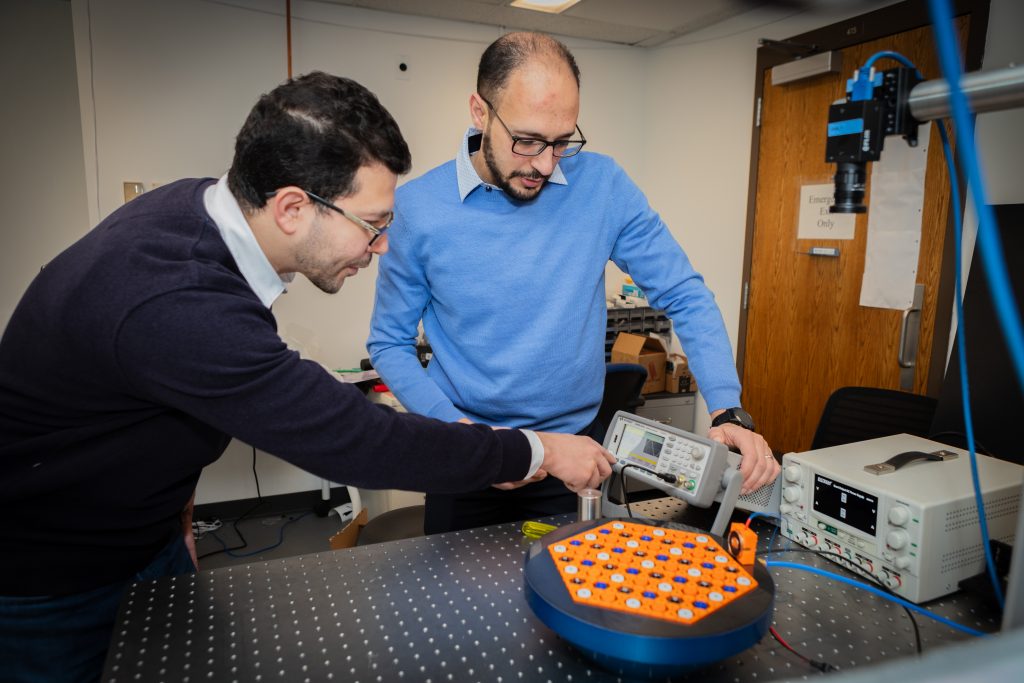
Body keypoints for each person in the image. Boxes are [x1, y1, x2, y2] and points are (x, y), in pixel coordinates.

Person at [0, 71, 615, 683]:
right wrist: (537, 449)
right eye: (372, 224)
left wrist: (176, 521)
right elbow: (357, 440)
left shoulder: (198, 215)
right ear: (293, 206)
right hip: (53, 584)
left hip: (146, 538)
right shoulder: (177, 300)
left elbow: (149, 409)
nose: (379, 249)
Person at [368, 32, 780, 535]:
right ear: (479, 111)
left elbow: (685, 295)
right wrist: (470, 438)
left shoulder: (603, 186)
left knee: (572, 601)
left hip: (576, 457)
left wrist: (728, 408)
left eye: (562, 142)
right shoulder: (417, 209)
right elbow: (389, 343)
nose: (544, 164)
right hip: (470, 456)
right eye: (527, 141)